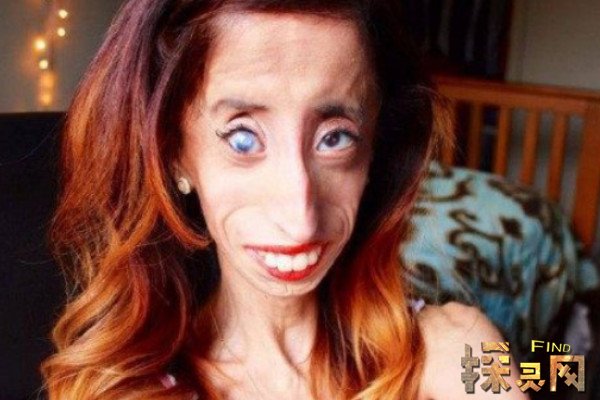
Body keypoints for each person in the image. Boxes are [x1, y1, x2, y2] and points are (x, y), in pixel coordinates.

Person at [42, 0, 528, 399]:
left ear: (375, 150)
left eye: (335, 137)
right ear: (172, 155)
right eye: (243, 139)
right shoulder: (128, 390)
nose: (300, 220)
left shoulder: (457, 349)